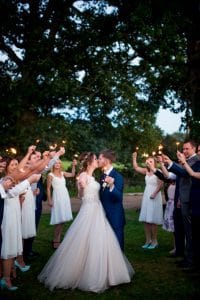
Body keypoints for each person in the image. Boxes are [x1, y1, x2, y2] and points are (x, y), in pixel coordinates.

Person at [38, 152, 134, 293]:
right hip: (89, 210)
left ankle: (110, 270)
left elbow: (108, 194)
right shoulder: (83, 176)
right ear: (89, 162)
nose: (97, 161)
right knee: (85, 239)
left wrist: (110, 185)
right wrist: (81, 188)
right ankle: (85, 271)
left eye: (99, 158)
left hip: (98, 210)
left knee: (101, 239)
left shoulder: (98, 177)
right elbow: (80, 195)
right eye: (96, 159)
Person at [163, 140, 200, 269]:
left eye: (187, 149)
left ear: (194, 148)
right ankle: (187, 258)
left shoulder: (196, 161)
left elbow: (185, 173)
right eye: (183, 149)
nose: (184, 151)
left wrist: (172, 163)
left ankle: (191, 261)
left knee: (191, 232)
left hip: (191, 200)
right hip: (184, 198)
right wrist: (169, 163)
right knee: (188, 231)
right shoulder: (189, 160)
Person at [0, 174, 41, 291]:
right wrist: (29, 180)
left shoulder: (13, 180)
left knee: (12, 247)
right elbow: (10, 194)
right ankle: (6, 278)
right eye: (12, 165)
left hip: (15, 215)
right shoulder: (5, 181)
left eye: (16, 165)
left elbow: (15, 196)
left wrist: (21, 201)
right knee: (7, 248)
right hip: (7, 218)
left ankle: (11, 271)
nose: (16, 168)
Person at [132, 152, 163, 249]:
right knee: (146, 220)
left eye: (150, 161)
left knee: (152, 220)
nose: (148, 162)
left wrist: (154, 193)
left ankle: (155, 241)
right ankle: (148, 240)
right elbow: (136, 168)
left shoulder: (158, 171)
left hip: (154, 196)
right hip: (146, 196)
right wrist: (134, 158)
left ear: (154, 163)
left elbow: (161, 184)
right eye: (147, 161)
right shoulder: (146, 171)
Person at [176, 150, 200, 273]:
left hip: (196, 201)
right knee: (192, 233)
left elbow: (191, 174)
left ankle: (193, 262)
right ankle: (190, 260)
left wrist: (183, 163)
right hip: (193, 200)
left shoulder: (196, 162)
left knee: (194, 233)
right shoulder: (197, 163)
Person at [98, 149, 125, 251]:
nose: (98, 161)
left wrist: (112, 186)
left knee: (117, 244)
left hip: (115, 216)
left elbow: (119, 197)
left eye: (100, 158)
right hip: (103, 215)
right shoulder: (102, 176)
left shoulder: (118, 177)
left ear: (106, 160)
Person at [47, 159, 77, 249]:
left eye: (59, 163)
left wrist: (73, 166)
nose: (57, 164)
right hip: (57, 197)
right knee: (59, 219)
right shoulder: (50, 175)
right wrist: (49, 200)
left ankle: (57, 238)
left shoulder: (63, 173)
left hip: (64, 196)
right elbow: (48, 188)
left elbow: (72, 174)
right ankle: (55, 240)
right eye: (56, 163)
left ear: (61, 165)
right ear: (53, 165)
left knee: (63, 219)